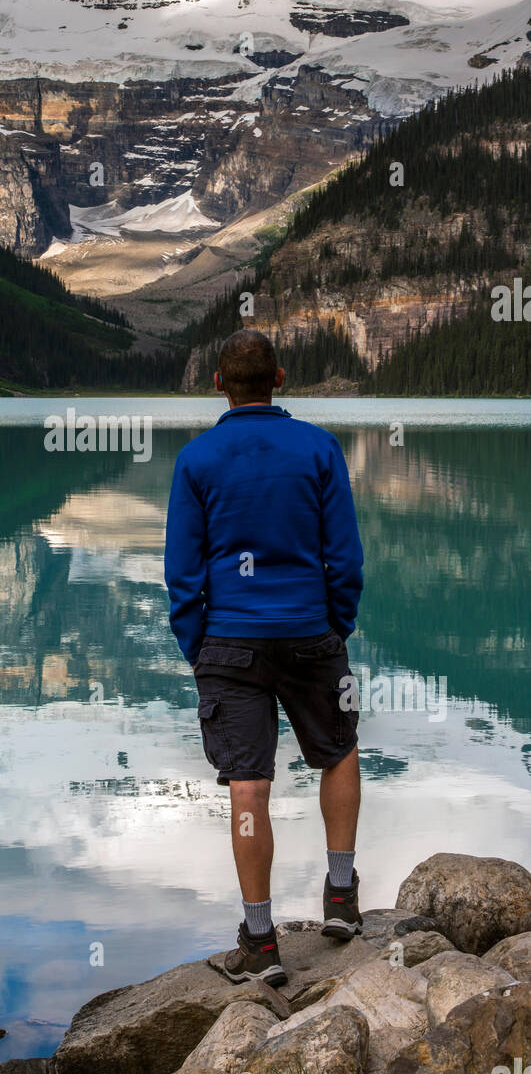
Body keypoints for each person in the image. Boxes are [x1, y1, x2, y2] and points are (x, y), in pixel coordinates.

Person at [164, 329, 364, 985]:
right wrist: (333, 625)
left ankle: (259, 940)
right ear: (279, 378)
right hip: (310, 633)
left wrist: (201, 646)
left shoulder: (196, 460)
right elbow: (344, 556)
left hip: (228, 641)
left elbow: (182, 573)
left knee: (248, 784)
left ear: (217, 384)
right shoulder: (317, 447)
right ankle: (340, 897)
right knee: (336, 751)